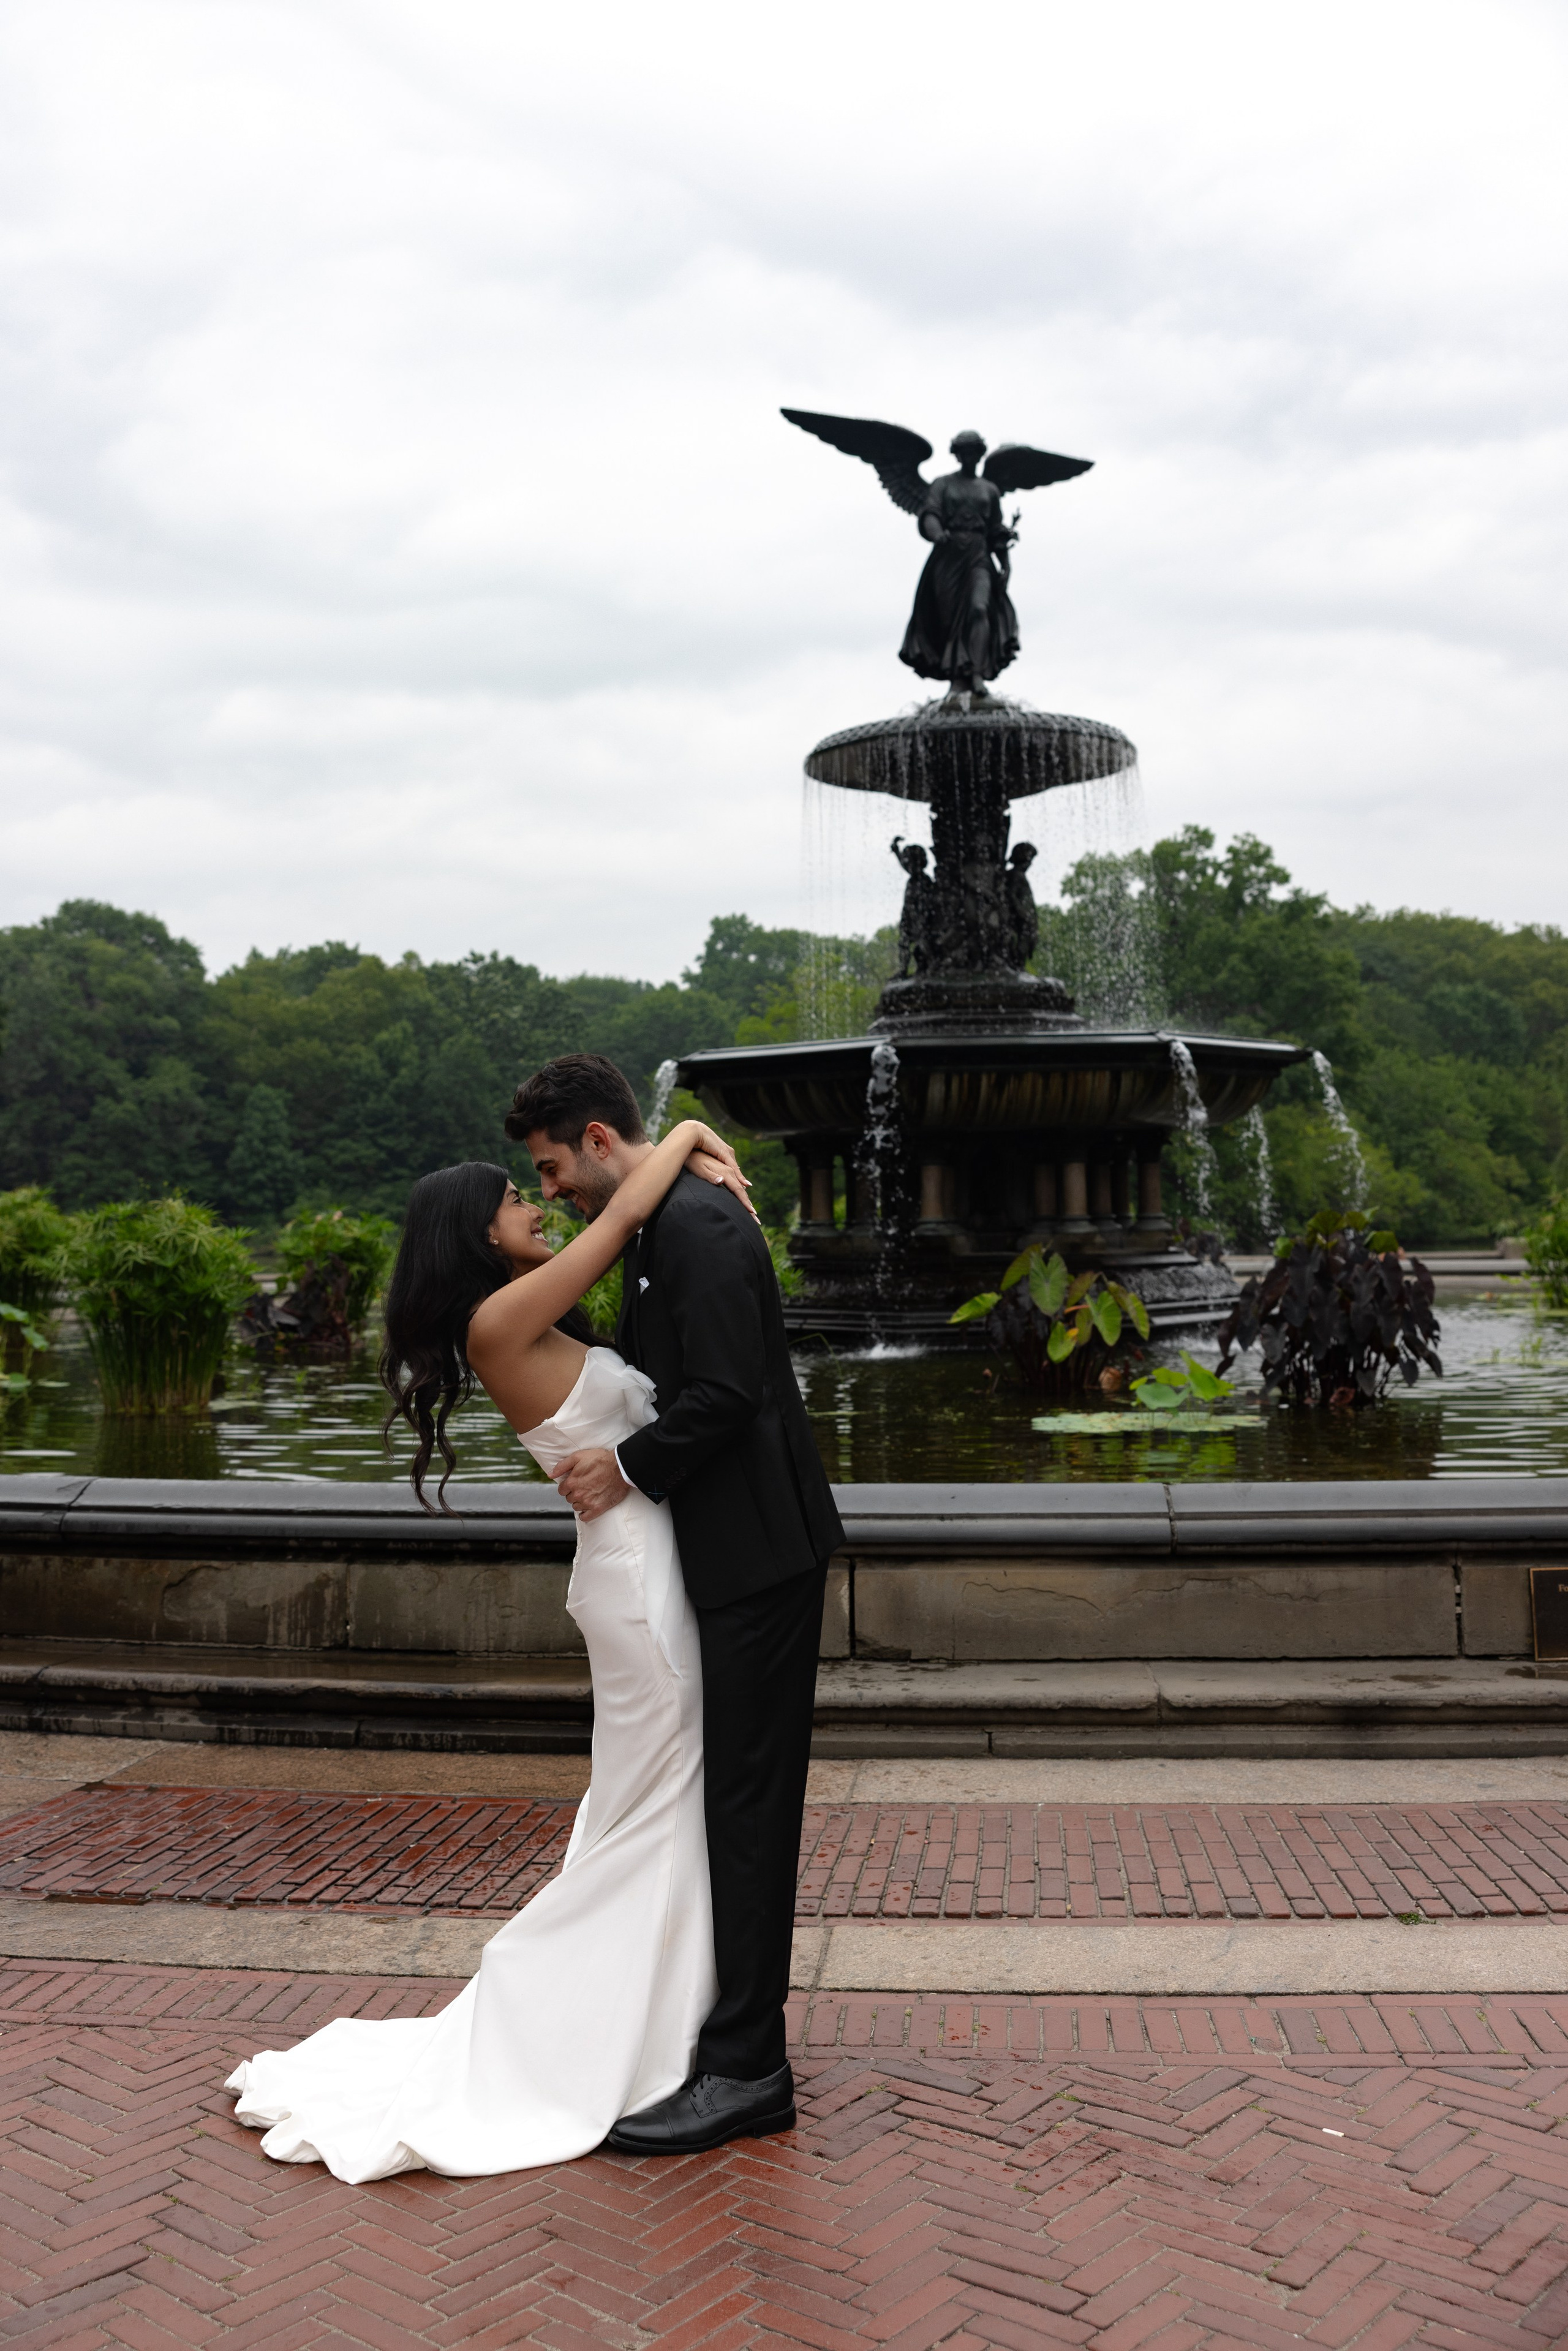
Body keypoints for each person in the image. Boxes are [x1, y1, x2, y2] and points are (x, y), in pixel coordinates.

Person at [225, 1109, 755, 2183]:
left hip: (642, 1559)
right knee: (656, 1804)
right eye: (518, 1200)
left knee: (647, 1805)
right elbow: (628, 1212)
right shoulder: (502, 1319)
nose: (537, 1204)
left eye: (537, 1185)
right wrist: (696, 1127)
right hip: (639, 1582)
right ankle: (590, 2020)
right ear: (482, 1235)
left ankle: (665, 2018)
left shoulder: (515, 1314)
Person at [507, 1053, 843, 2157]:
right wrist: (694, 1133)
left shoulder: (695, 1228)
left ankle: (749, 2067)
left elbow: (725, 1394)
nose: (550, 1189)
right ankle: (720, 2034)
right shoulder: (667, 1218)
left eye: (553, 1166)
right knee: (730, 1806)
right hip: (731, 1552)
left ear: (601, 1141)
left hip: (758, 1556)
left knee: (749, 1810)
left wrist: (626, 1469)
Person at [899, 428, 1020, 692]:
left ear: (979, 454)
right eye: (963, 452)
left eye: (973, 452)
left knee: (979, 608)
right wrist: (937, 533)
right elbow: (930, 512)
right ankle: (956, 675)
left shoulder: (990, 490)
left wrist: (1006, 564)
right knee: (949, 619)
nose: (969, 457)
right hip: (949, 556)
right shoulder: (942, 484)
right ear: (957, 455)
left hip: (978, 555)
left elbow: (996, 531)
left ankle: (976, 673)